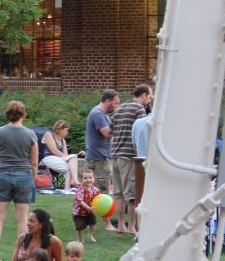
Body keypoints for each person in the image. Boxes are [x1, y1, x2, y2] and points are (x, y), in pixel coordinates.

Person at [0, 100, 38, 256]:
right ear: (23, 114)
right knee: (22, 220)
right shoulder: (30, 134)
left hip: (2, 176)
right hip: (24, 176)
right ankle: (21, 255)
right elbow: (34, 162)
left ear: (7, 114)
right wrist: (32, 179)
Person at [111, 84, 151, 235]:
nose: (149, 101)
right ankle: (132, 227)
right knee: (132, 195)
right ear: (144, 95)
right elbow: (142, 130)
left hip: (114, 154)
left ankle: (121, 225)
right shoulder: (139, 109)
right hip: (128, 156)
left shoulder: (119, 108)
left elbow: (111, 129)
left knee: (119, 194)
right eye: (149, 97)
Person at [85, 89, 120, 231]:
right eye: (115, 103)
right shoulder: (98, 113)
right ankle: (107, 224)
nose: (116, 107)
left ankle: (87, 220)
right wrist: (121, 125)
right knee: (103, 192)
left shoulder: (101, 113)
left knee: (92, 191)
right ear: (107, 101)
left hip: (96, 156)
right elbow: (106, 133)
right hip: (99, 158)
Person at [40, 120, 80, 190]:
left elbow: (66, 155)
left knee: (73, 159)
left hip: (59, 159)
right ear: (59, 129)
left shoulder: (63, 140)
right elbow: (54, 150)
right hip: (48, 158)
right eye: (66, 130)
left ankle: (69, 187)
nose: (67, 132)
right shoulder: (48, 134)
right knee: (69, 166)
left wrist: (76, 155)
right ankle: (72, 183)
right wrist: (70, 156)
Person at [73, 169, 101, 243]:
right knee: (80, 226)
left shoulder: (95, 190)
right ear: (81, 180)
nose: (88, 179)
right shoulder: (80, 190)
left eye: (90, 177)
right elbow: (81, 202)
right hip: (79, 212)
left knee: (93, 222)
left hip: (90, 210)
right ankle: (80, 238)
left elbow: (99, 198)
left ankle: (91, 235)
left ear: (94, 179)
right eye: (85, 178)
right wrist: (89, 208)